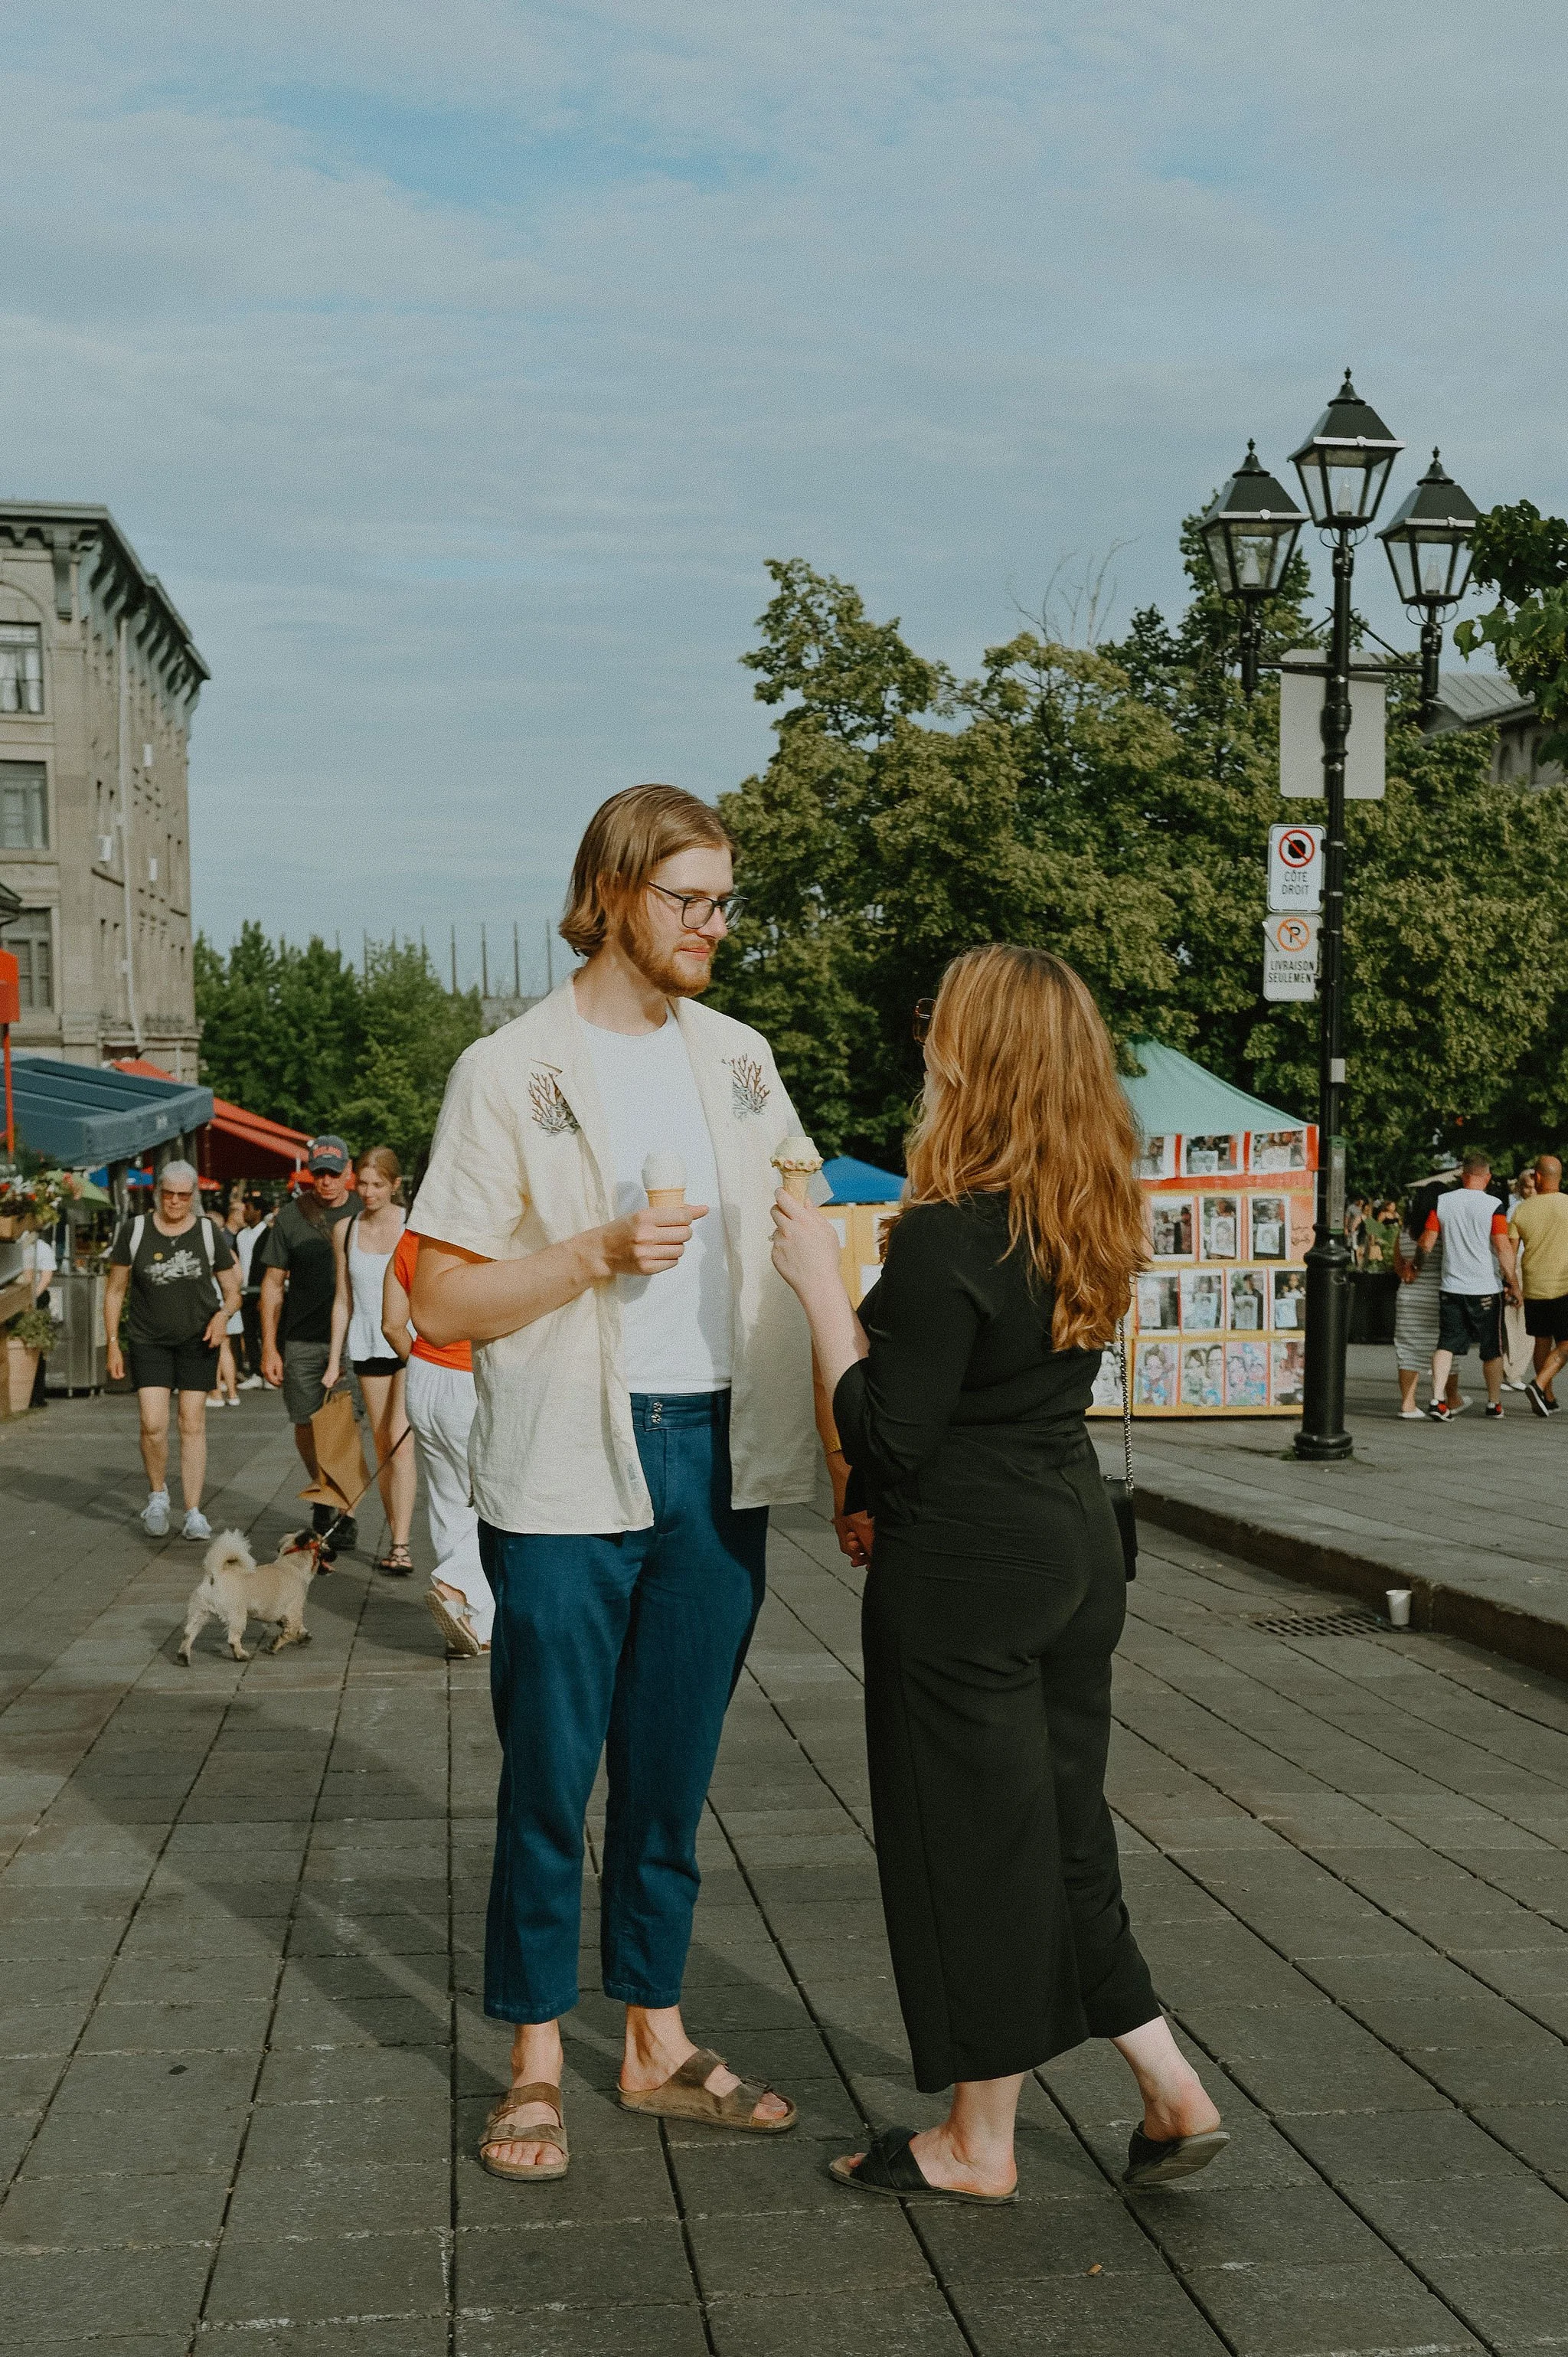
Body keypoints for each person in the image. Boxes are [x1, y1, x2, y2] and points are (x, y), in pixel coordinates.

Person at [771, 943, 1227, 2204]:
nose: (924, 1040)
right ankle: (1169, 2084)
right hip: (1072, 1546)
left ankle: (976, 2142)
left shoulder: (941, 1234)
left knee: (971, 1846)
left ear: (973, 1058)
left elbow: (889, 1432)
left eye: (939, 1024)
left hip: (965, 1561)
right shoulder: (1088, 1208)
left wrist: (821, 1289)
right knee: (1058, 1832)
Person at [410, 782, 820, 2183]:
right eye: (688, 900)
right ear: (612, 892)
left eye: (724, 901)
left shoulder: (741, 1058)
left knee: (671, 1771)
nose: (714, 925)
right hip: (567, 1462)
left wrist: (850, 1422)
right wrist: (588, 1252)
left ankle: (653, 2034)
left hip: (719, 1454)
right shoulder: (504, 1068)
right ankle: (534, 2052)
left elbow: (807, 1216)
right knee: (548, 1770)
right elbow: (449, 1297)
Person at [103, 1160, 240, 1541]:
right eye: (169, 1194)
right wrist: (113, 1343)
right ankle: (158, 1493)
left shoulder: (208, 1232)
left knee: (192, 1423)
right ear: (158, 1193)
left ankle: (194, 1510)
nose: (176, 1202)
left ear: (193, 1195)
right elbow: (115, 1291)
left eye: (184, 1195)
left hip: (198, 1340)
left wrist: (222, 1316)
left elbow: (233, 1289)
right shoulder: (135, 1230)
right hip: (149, 1340)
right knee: (153, 1423)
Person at [383, 1217, 494, 1653]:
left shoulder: (410, 1238)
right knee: (495, 1496)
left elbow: (392, 1324)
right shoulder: (482, 1232)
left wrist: (429, 1365)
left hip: (423, 1374)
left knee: (449, 1500)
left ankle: (474, 1627)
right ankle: (457, 1587)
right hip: (469, 1374)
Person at [258, 1137, 361, 1554]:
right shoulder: (290, 1218)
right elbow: (271, 1285)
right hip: (300, 1337)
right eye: (319, 1172)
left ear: (348, 1172)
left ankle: (344, 1509)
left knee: (341, 1425)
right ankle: (324, 1488)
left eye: (333, 1173)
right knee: (305, 1425)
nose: (326, 1181)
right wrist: (269, 1346)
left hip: (352, 1338)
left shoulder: (363, 1213)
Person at [325, 1146, 416, 1574]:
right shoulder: (345, 1229)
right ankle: (396, 1531)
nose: (368, 1191)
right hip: (366, 1345)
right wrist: (333, 1359)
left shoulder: (413, 1226)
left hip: (409, 1344)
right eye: (362, 1183)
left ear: (395, 1186)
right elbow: (343, 1299)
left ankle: (401, 1544)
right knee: (382, 1443)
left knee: (400, 1441)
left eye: (378, 1184)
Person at [1419, 1149, 1520, 1420]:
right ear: (1487, 1177)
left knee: (1446, 1344)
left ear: (1463, 1175)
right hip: (1486, 1288)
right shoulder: (1493, 1206)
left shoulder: (1442, 1202)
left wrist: (1416, 1264)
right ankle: (1494, 1403)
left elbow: (1427, 1243)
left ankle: (1437, 1399)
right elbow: (1502, 1246)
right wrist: (1514, 1284)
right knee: (1492, 1348)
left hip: (1452, 1287)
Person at [1393, 1165, 1464, 1421]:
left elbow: (1399, 1266)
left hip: (1409, 1297)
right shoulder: (1444, 1234)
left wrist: (1410, 1275)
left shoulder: (1404, 1231)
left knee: (1408, 1350)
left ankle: (1408, 1403)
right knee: (1445, 1347)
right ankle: (1451, 1397)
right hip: (1440, 1296)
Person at [1511, 1156, 1568, 1417]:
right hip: (1564, 1283)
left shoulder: (1521, 1210)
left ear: (1537, 1177)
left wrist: (1511, 1284)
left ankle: (1548, 1396)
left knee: (1541, 1339)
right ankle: (1540, 1384)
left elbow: (1509, 1252)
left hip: (1533, 1284)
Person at [206, 1195, 247, 1409]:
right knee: (226, 1349)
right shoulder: (229, 1250)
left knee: (213, 1349)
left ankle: (215, 1393)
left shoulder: (209, 1250)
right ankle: (232, 1392)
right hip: (231, 1301)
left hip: (214, 1302)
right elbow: (239, 1277)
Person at [235, 1195, 269, 1388]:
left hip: (261, 1291)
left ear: (258, 1211)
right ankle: (256, 1372)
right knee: (249, 1334)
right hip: (244, 1291)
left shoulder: (268, 1234)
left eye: (248, 1208)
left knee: (265, 1334)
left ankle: (268, 1372)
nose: (245, 1213)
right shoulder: (241, 1235)